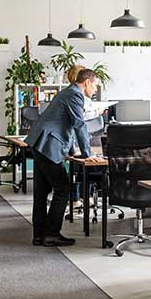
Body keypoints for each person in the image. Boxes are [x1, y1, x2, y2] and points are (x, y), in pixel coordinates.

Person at [26, 68, 105, 247]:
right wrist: (88, 154)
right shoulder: (75, 95)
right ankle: (52, 234)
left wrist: (72, 152)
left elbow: (66, 125)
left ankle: (39, 235)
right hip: (48, 144)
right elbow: (78, 124)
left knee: (41, 191)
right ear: (87, 82)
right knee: (63, 188)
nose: (95, 90)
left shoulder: (68, 92)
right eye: (95, 86)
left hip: (40, 143)